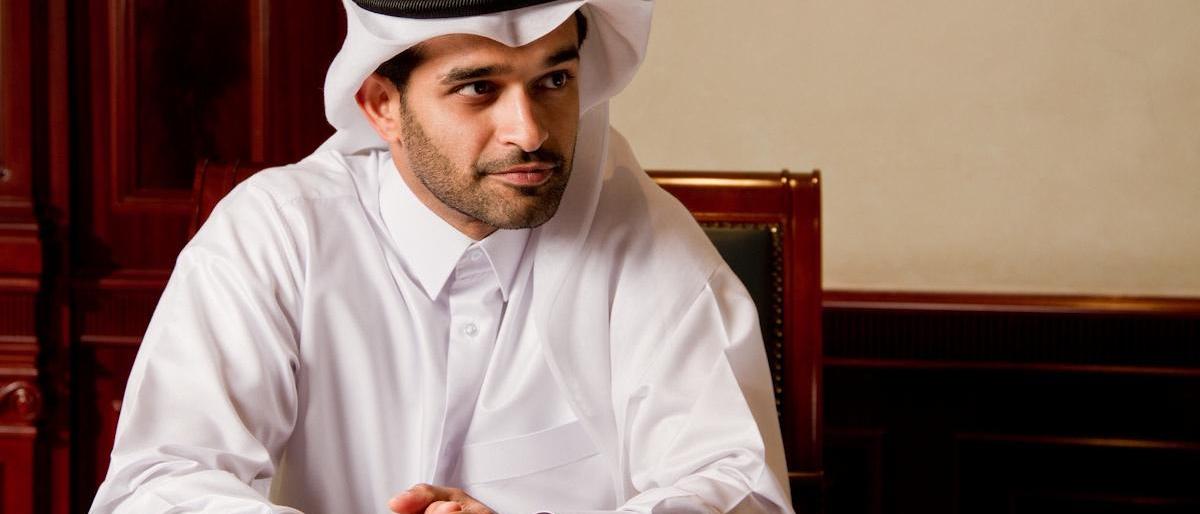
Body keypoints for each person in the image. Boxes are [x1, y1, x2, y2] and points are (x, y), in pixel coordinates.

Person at [90, 1, 793, 512]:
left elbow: (738, 488)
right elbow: (158, 487)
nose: (529, 132)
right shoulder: (277, 234)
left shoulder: (640, 234)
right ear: (381, 105)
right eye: (479, 88)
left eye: (554, 81)